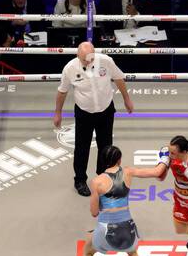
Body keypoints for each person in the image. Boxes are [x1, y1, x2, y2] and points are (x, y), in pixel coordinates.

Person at [52, 42, 134, 197]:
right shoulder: (70, 68)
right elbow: (62, 91)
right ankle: (80, 180)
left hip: (105, 109)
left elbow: (119, 79)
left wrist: (126, 99)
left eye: (91, 58)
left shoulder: (106, 61)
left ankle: (104, 176)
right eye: (85, 59)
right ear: (78, 56)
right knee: (82, 147)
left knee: (106, 146)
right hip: (84, 112)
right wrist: (58, 112)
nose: (89, 62)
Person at [81, 145, 158, 256]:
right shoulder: (128, 172)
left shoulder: (96, 182)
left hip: (105, 231)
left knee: (87, 252)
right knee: (133, 254)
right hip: (127, 229)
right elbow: (156, 172)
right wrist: (166, 159)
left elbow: (94, 212)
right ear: (119, 159)